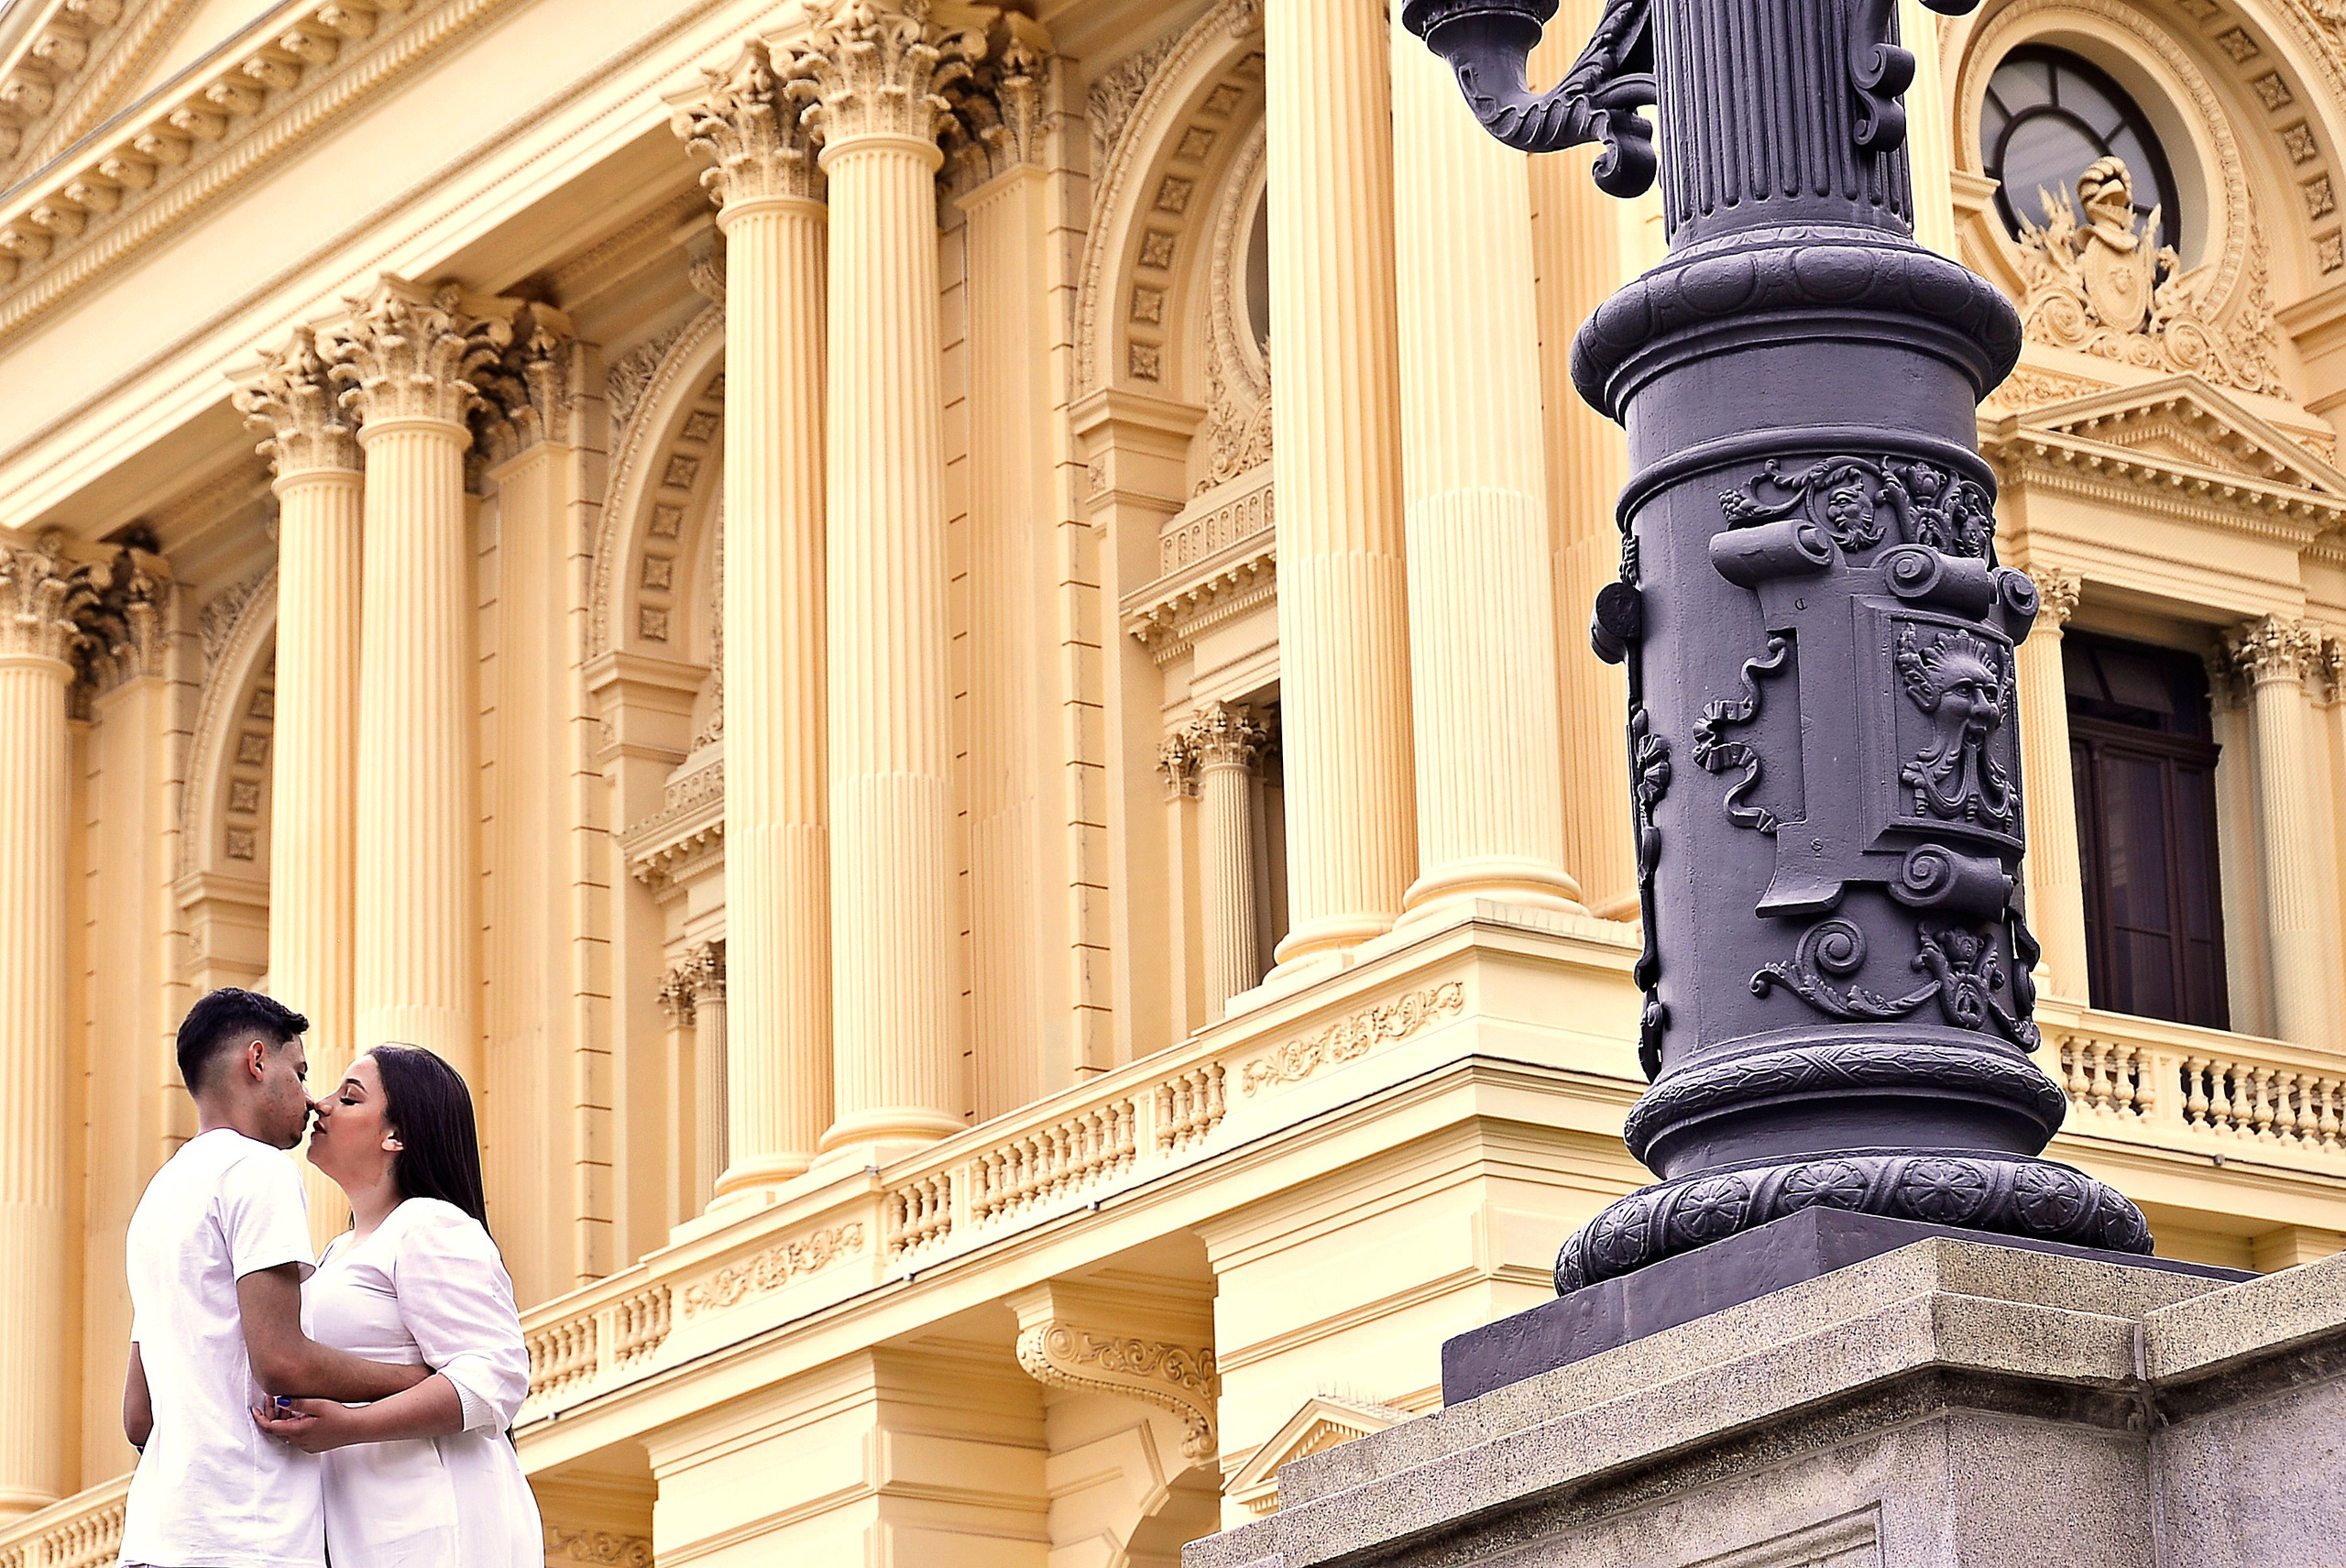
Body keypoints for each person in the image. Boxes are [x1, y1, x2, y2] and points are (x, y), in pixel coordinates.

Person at [121, 988, 433, 1568]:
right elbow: (281, 1362)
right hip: (246, 1540)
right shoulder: (258, 1170)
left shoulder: (157, 1200)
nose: (313, 1100)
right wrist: (420, 1379)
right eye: (301, 1071)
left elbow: (139, 1415)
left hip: (154, 1537)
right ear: (258, 1061)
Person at [253, 1043, 543, 1568]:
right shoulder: (339, 1252)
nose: (320, 1104)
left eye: (350, 1098)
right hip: (368, 1528)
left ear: (396, 1136)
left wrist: (350, 1426)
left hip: (440, 1529)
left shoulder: (430, 1225)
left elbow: (494, 1376)